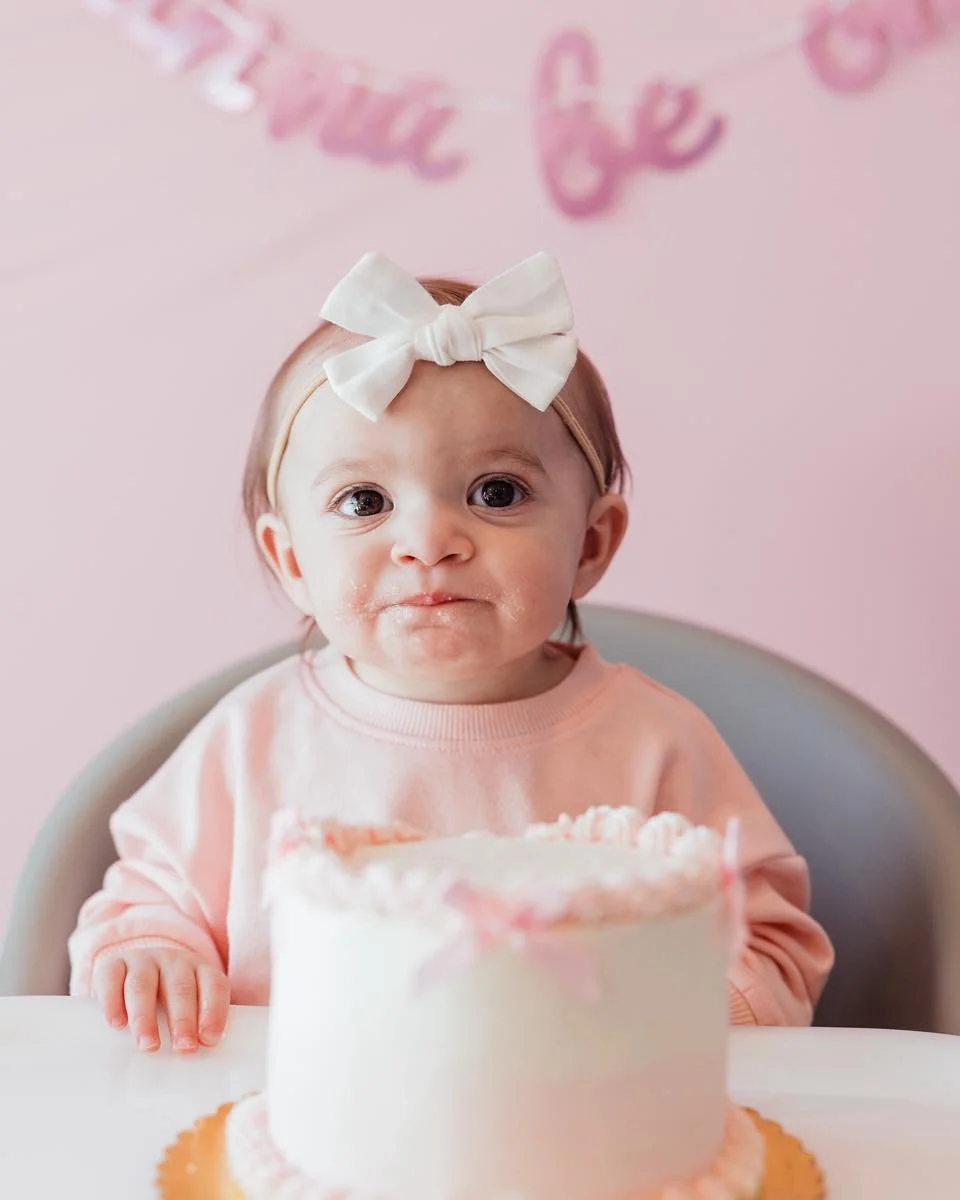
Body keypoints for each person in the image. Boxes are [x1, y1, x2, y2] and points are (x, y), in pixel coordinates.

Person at [68, 250, 834, 1053]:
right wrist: (155, 955)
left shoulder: (658, 746)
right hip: (301, 1140)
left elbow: (776, 955)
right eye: (364, 502)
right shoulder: (247, 742)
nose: (428, 541)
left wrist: (671, 1015)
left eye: (496, 492)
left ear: (591, 542)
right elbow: (144, 906)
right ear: (292, 560)